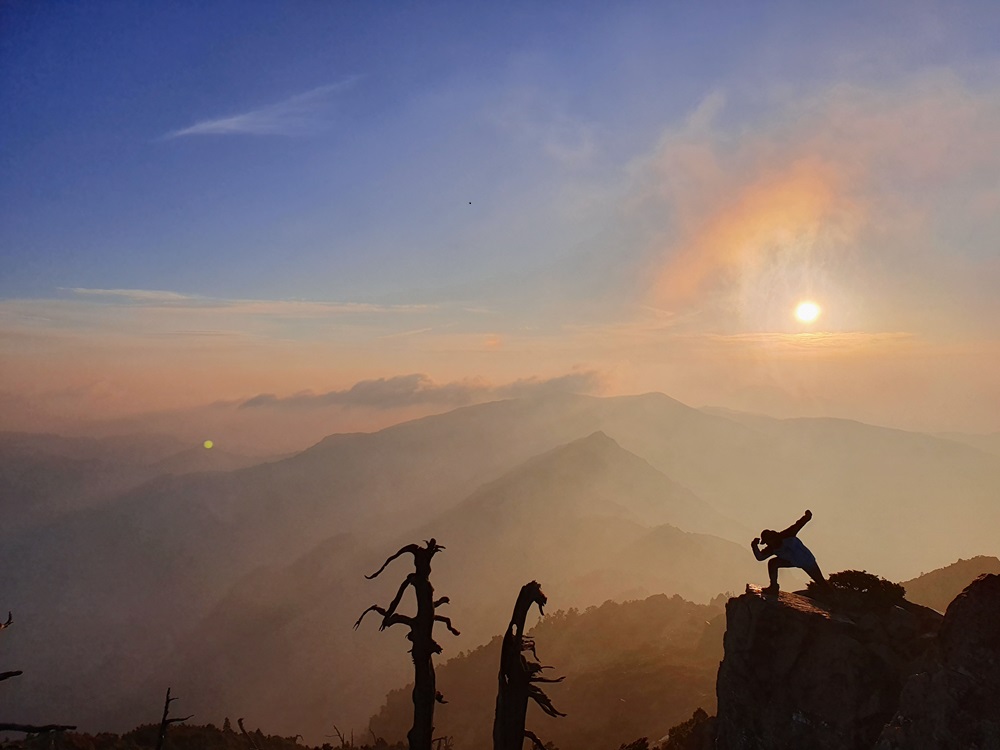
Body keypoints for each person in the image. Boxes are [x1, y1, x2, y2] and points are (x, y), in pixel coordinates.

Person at [751, 509, 825, 595]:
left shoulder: (788, 534)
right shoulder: (771, 548)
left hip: (807, 561)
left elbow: (798, 524)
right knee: (772, 563)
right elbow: (760, 557)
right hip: (794, 561)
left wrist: (807, 516)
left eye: (768, 541)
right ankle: (773, 586)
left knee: (821, 582)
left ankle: (832, 598)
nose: (768, 543)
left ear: (773, 537)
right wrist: (754, 546)